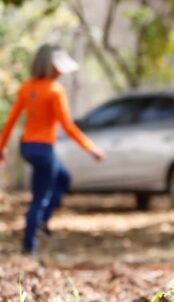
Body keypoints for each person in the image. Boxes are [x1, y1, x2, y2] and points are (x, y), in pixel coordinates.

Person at [0, 44, 105, 254]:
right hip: (43, 149)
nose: (60, 73)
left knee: (63, 178)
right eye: (58, 68)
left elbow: (11, 120)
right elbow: (67, 125)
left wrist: (1, 146)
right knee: (40, 195)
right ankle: (30, 244)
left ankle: (41, 222)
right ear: (51, 67)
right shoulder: (55, 91)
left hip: (27, 147)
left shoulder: (27, 87)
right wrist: (90, 147)